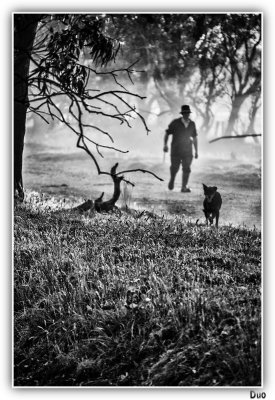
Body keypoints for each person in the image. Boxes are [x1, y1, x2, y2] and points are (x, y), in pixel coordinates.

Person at [163, 105, 198, 193]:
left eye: (187, 113)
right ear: (182, 114)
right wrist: (165, 145)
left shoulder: (192, 124)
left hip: (188, 150)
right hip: (176, 149)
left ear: (189, 114)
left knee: (187, 168)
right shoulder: (175, 122)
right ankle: (172, 179)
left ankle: (184, 187)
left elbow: (194, 138)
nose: (186, 115)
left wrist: (196, 151)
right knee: (175, 167)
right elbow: (167, 133)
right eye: (185, 113)